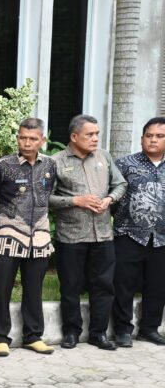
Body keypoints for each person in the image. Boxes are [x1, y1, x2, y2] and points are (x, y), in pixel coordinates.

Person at [50, 114, 127, 350]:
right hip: (71, 236)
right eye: (89, 135)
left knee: (103, 286)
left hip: (103, 235)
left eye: (97, 134)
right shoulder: (56, 162)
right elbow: (46, 199)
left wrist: (109, 200)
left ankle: (99, 334)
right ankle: (71, 333)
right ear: (74, 137)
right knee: (70, 286)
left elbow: (120, 184)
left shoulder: (103, 157)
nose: (95, 139)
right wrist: (76, 201)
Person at [0, 118, 57, 357]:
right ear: (17, 138)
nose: (27, 142)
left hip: (39, 236)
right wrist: (11, 217)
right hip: (8, 234)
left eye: (33, 138)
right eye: (23, 137)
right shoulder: (3, 165)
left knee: (34, 288)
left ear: (42, 140)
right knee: (1, 287)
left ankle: (33, 336)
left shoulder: (50, 165)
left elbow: (49, 193)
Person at [111, 117, 165, 347]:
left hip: (161, 238)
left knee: (158, 284)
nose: (153, 140)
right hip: (128, 234)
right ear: (142, 138)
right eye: (149, 135)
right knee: (123, 284)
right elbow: (112, 197)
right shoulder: (125, 164)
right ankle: (123, 329)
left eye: (159, 136)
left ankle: (150, 329)